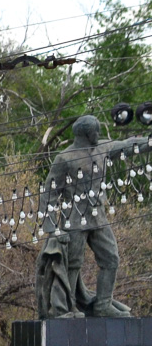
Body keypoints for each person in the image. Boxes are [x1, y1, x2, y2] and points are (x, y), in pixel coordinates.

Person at [38, 115, 151, 318]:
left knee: (111, 258)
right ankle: (69, 307)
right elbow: (49, 193)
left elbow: (127, 145)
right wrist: (54, 228)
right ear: (87, 133)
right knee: (73, 263)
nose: (98, 134)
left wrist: (148, 142)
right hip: (74, 219)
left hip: (98, 218)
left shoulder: (102, 148)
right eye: (96, 131)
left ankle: (102, 305)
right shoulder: (64, 158)